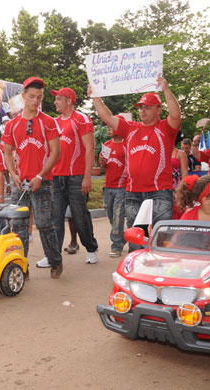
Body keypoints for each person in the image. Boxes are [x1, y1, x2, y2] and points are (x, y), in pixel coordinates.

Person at [89, 76, 182, 252]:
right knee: (135, 238)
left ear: (158, 109)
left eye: (148, 107)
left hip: (160, 192)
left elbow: (176, 115)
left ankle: (159, 272)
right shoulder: (131, 128)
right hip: (133, 192)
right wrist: (95, 96)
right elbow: (107, 117)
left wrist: (166, 90)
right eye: (140, 107)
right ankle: (136, 272)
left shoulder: (165, 129)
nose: (143, 111)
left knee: (161, 238)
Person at [2, 77, 62, 279]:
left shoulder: (49, 122)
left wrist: (40, 175)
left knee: (44, 223)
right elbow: (7, 152)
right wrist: (13, 174)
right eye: (31, 96)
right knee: (18, 226)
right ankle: (21, 267)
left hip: (42, 181)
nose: (35, 101)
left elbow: (55, 152)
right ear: (23, 96)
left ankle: (55, 261)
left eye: (39, 97)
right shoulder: (12, 125)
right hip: (21, 182)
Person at [45, 87, 98, 267]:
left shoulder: (81, 119)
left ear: (68, 100)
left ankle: (91, 248)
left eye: (58, 99)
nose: (55, 102)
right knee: (56, 218)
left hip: (76, 176)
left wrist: (87, 177)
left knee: (79, 216)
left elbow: (90, 148)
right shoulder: (54, 122)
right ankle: (54, 255)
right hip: (56, 176)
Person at [98, 123, 127, 258]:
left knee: (118, 215)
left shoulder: (127, 145)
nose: (108, 129)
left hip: (122, 187)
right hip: (108, 186)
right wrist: (102, 162)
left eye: (111, 127)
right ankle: (121, 237)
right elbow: (103, 166)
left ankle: (116, 246)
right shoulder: (107, 145)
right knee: (110, 215)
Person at [171, 134, 188, 218]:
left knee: (177, 211)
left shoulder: (181, 154)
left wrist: (182, 189)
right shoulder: (159, 152)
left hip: (176, 188)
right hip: (162, 187)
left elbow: (185, 172)